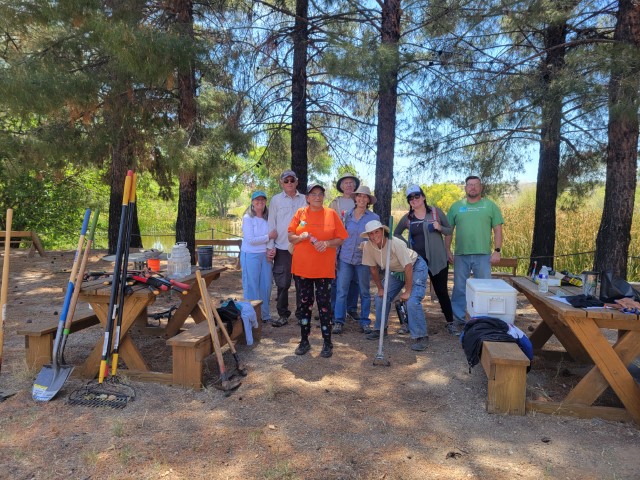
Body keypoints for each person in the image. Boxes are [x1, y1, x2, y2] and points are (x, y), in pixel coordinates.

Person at [288, 183, 348, 358]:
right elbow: (290, 235)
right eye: (313, 194)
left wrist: (328, 243)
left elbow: (342, 238)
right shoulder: (300, 213)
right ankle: (304, 341)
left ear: (324, 196)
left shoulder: (331, 214)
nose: (317, 197)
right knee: (304, 305)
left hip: (323, 270)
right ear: (307, 197)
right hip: (302, 268)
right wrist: (300, 237)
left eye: (320, 194)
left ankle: (327, 343)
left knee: (324, 307)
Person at [394, 185, 457, 335]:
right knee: (413, 292)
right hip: (416, 263)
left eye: (416, 196)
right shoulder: (408, 218)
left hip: (437, 260)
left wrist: (439, 227)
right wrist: (406, 246)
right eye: (410, 198)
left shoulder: (435, 213)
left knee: (441, 291)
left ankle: (450, 323)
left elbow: (449, 230)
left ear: (423, 197)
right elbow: (396, 233)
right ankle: (408, 323)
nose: (414, 200)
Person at [361, 220, 429, 351]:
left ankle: (421, 336)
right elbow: (373, 269)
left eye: (377, 232)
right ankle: (380, 329)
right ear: (368, 236)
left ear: (383, 231)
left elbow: (408, 267)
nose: (374, 235)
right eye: (371, 233)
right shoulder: (368, 247)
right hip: (396, 271)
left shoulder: (395, 243)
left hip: (415, 266)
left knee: (412, 301)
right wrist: (380, 288)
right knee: (380, 297)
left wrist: (408, 291)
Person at [446, 175, 504, 327]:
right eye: (469, 185)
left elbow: (498, 230)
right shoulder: (456, 207)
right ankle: (458, 319)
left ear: (481, 187)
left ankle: (483, 319)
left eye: (476, 185)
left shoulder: (490, 206)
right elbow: (448, 231)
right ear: (465, 188)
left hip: (483, 256)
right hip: (460, 255)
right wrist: (447, 249)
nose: (472, 187)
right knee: (459, 288)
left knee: (485, 287)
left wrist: (497, 251)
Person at [333, 186, 379, 335]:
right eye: (359, 196)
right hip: (345, 258)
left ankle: (365, 322)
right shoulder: (346, 215)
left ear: (368, 200)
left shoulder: (374, 218)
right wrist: (335, 256)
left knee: (365, 291)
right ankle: (338, 321)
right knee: (341, 291)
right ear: (355, 198)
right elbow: (341, 237)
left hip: (364, 259)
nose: (362, 199)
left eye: (365, 197)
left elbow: (377, 239)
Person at [267, 170, 307, 327]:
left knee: (301, 284)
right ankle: (283, 314)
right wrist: (270, 246)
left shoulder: (305, 199)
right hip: (282, 248)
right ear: (281, 183)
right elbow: (272, 223)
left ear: (297, 182)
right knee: (282, 284)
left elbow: (306, 220)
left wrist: (299, 231)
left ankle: (301, 315)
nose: (289, 183)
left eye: (292, 180)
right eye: (286, 181)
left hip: (300, 247)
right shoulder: (276, 200)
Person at [240, 191, 277, 324]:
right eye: (257, 200)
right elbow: (250, 240)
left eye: (262, 200)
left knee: (266, 285)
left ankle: (265, 315)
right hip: (250, 254)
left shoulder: (269, 218)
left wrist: (272, 249)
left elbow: (275, 236)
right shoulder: (248, 218)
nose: (260, 202)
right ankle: (252, 315)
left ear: (265, 202)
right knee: (251, 286)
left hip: (265, 255)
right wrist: (268, 237)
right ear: (252, 202)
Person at [328, 173, 360, 320]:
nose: (349, 185)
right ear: (341, 186)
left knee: (355, 279)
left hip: (356, 244)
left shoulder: (359, 200)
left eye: (351, 183)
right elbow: (329, 224)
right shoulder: (336, 203)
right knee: (336, 279)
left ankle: (351, 308)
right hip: (338, 244)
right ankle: (334, 308)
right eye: (346, 183)